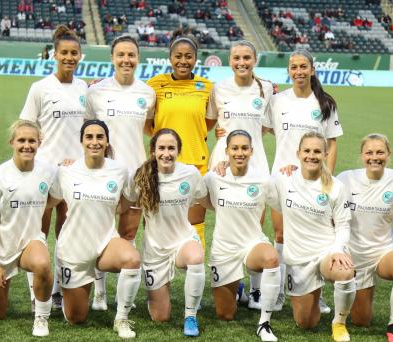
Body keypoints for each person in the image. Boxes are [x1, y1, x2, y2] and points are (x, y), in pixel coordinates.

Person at [266, 49, 343, 314]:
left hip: (314, 183)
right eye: (293, 66)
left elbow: (331, 143)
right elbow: (259, 128)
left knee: (317, 238)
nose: (298, 71)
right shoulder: (277, 101)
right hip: (282, 179)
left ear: (312, 69)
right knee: (281, 235)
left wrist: (327, 179)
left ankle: (316, 293)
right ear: (289, 70)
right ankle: (276, 292)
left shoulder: (325, 103)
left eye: (303, 66)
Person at [49, 120, 142, 339]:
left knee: (132, 259)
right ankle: (76, 292)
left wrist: (111, 209)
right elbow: (50, 202)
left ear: (107, 141)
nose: (95, 142)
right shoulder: (66, 171)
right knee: (76, 318)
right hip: (73, 250)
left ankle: (121, 319)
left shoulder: (119, 170)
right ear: (81, 141)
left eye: (100, 137)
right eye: (89, 137)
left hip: (105, 243)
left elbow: (129, 200)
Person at [84, 34, 156, 312]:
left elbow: (149, 130)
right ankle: (99, 292)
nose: (126, 60)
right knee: (100, 232)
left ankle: (123, 295)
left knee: (128, 232)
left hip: (136, 174)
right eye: (121, 55)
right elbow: (87, 132)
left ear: (138, 59)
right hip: (103, 173)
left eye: (131, 55)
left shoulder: (147, 93)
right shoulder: (96, 91)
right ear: (112, 58)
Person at [19, 25, 87, 310]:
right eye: (64, 53)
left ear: (80, 56)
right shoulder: (41, 88)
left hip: (75, 171)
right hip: (46, 169)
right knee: (39, 231)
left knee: (67, 231)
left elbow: (89, 127)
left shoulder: (84, 87)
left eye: (74, 53)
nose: (69, 58)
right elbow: (27, 126)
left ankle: (57, 288)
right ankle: (37, 292)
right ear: (55, 54)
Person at [205, 40, 274, 310]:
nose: (241, 62)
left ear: (254, 60)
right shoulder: (219, 88)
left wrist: (250, 135)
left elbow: (267, 125)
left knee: (256, 222)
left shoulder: (266, 88)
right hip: (224, 160)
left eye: (247, 57)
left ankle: (256, 290)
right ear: (230, 60)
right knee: (226, 218)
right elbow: (211, 122)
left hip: (255, 162)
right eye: (236, 58)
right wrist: (220, 134)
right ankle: (234, 280)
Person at [271, 132, 355, 342]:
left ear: (325, 154)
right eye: (306, 151)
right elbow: (256, 185)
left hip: (326, 252)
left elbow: (344, 225)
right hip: (298, 259)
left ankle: (339, 323)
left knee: (345, 272)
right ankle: (315, 295)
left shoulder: (335, 186)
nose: (311, 155)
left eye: (317, 151)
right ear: (298, 154)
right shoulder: (283, 178)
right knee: (306, 323)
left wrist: (337, 249)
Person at [0, 120, 57, 337]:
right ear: (12, 142)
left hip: (29, 243)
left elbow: (55, 197)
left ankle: (41, 317)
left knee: (42, 264)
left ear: (39, 143)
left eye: (32, 141)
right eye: (21, 140)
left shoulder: (48, 172)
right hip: (1, 249)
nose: (27, 146)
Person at [337, 134, 393, 342]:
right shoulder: (346, 178)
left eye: (380, 152)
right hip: (355, 255)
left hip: (384, 251)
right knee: (361, 321)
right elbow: (324, 189)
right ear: (362, 156)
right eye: (369, 152)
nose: (375, 157)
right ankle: (364, 287)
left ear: (388, 155)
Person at [203, 130, 281, 342]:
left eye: (244, 148)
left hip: (252, 244)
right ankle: (239, 288)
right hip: (224, 249)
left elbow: (282, 204)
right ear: (226, 151)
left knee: (272, 258)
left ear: (251, 151)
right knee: (225, 314)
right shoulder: (214, 177)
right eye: (235, 148)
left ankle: (264, 323)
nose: (240, 152)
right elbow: (200, 199)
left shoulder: (263, 180)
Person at [130, 128, 207, 336]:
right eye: (161, 148)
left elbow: (204, 198)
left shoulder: (190, 173)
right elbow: (125, 201)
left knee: (196, 257)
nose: (166, 153)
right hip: (155, 250)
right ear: (153, 151)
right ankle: (156, 294)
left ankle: (190, 316)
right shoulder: (141, 177)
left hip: (183, 241)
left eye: (171, 148)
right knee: (160, 317)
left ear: (178, 150)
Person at [145, 32, 215, 249]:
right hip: (163, 163)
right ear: (170, 58)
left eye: (188, 56)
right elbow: (148, 124)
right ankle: (158, 270)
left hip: (196, 161)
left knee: (196, 222)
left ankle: (195, 271)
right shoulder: (155, 85)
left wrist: (193, 132)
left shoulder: (207, 87)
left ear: (195, 59)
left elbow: (209, 122)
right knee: (159, 220)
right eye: (178, 56)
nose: (183, 61)